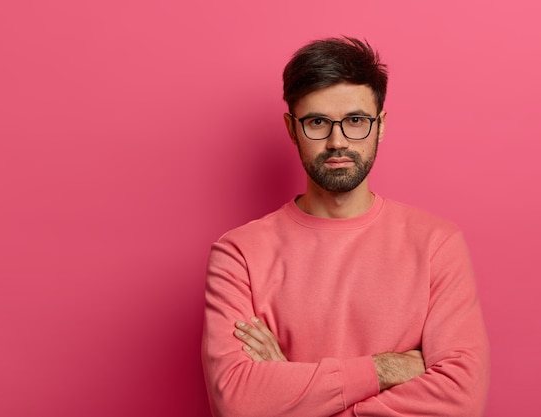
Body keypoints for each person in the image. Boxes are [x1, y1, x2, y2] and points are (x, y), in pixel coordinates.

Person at [201, 37, 490, 417]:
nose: (337, 142)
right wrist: (388, 368)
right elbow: (238, 402)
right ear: (291, 129)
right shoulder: (239, 254)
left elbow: (462, 400)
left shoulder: (437, 244)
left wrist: (294, 390)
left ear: (380, 125)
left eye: (355, 120)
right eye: (317, 122)